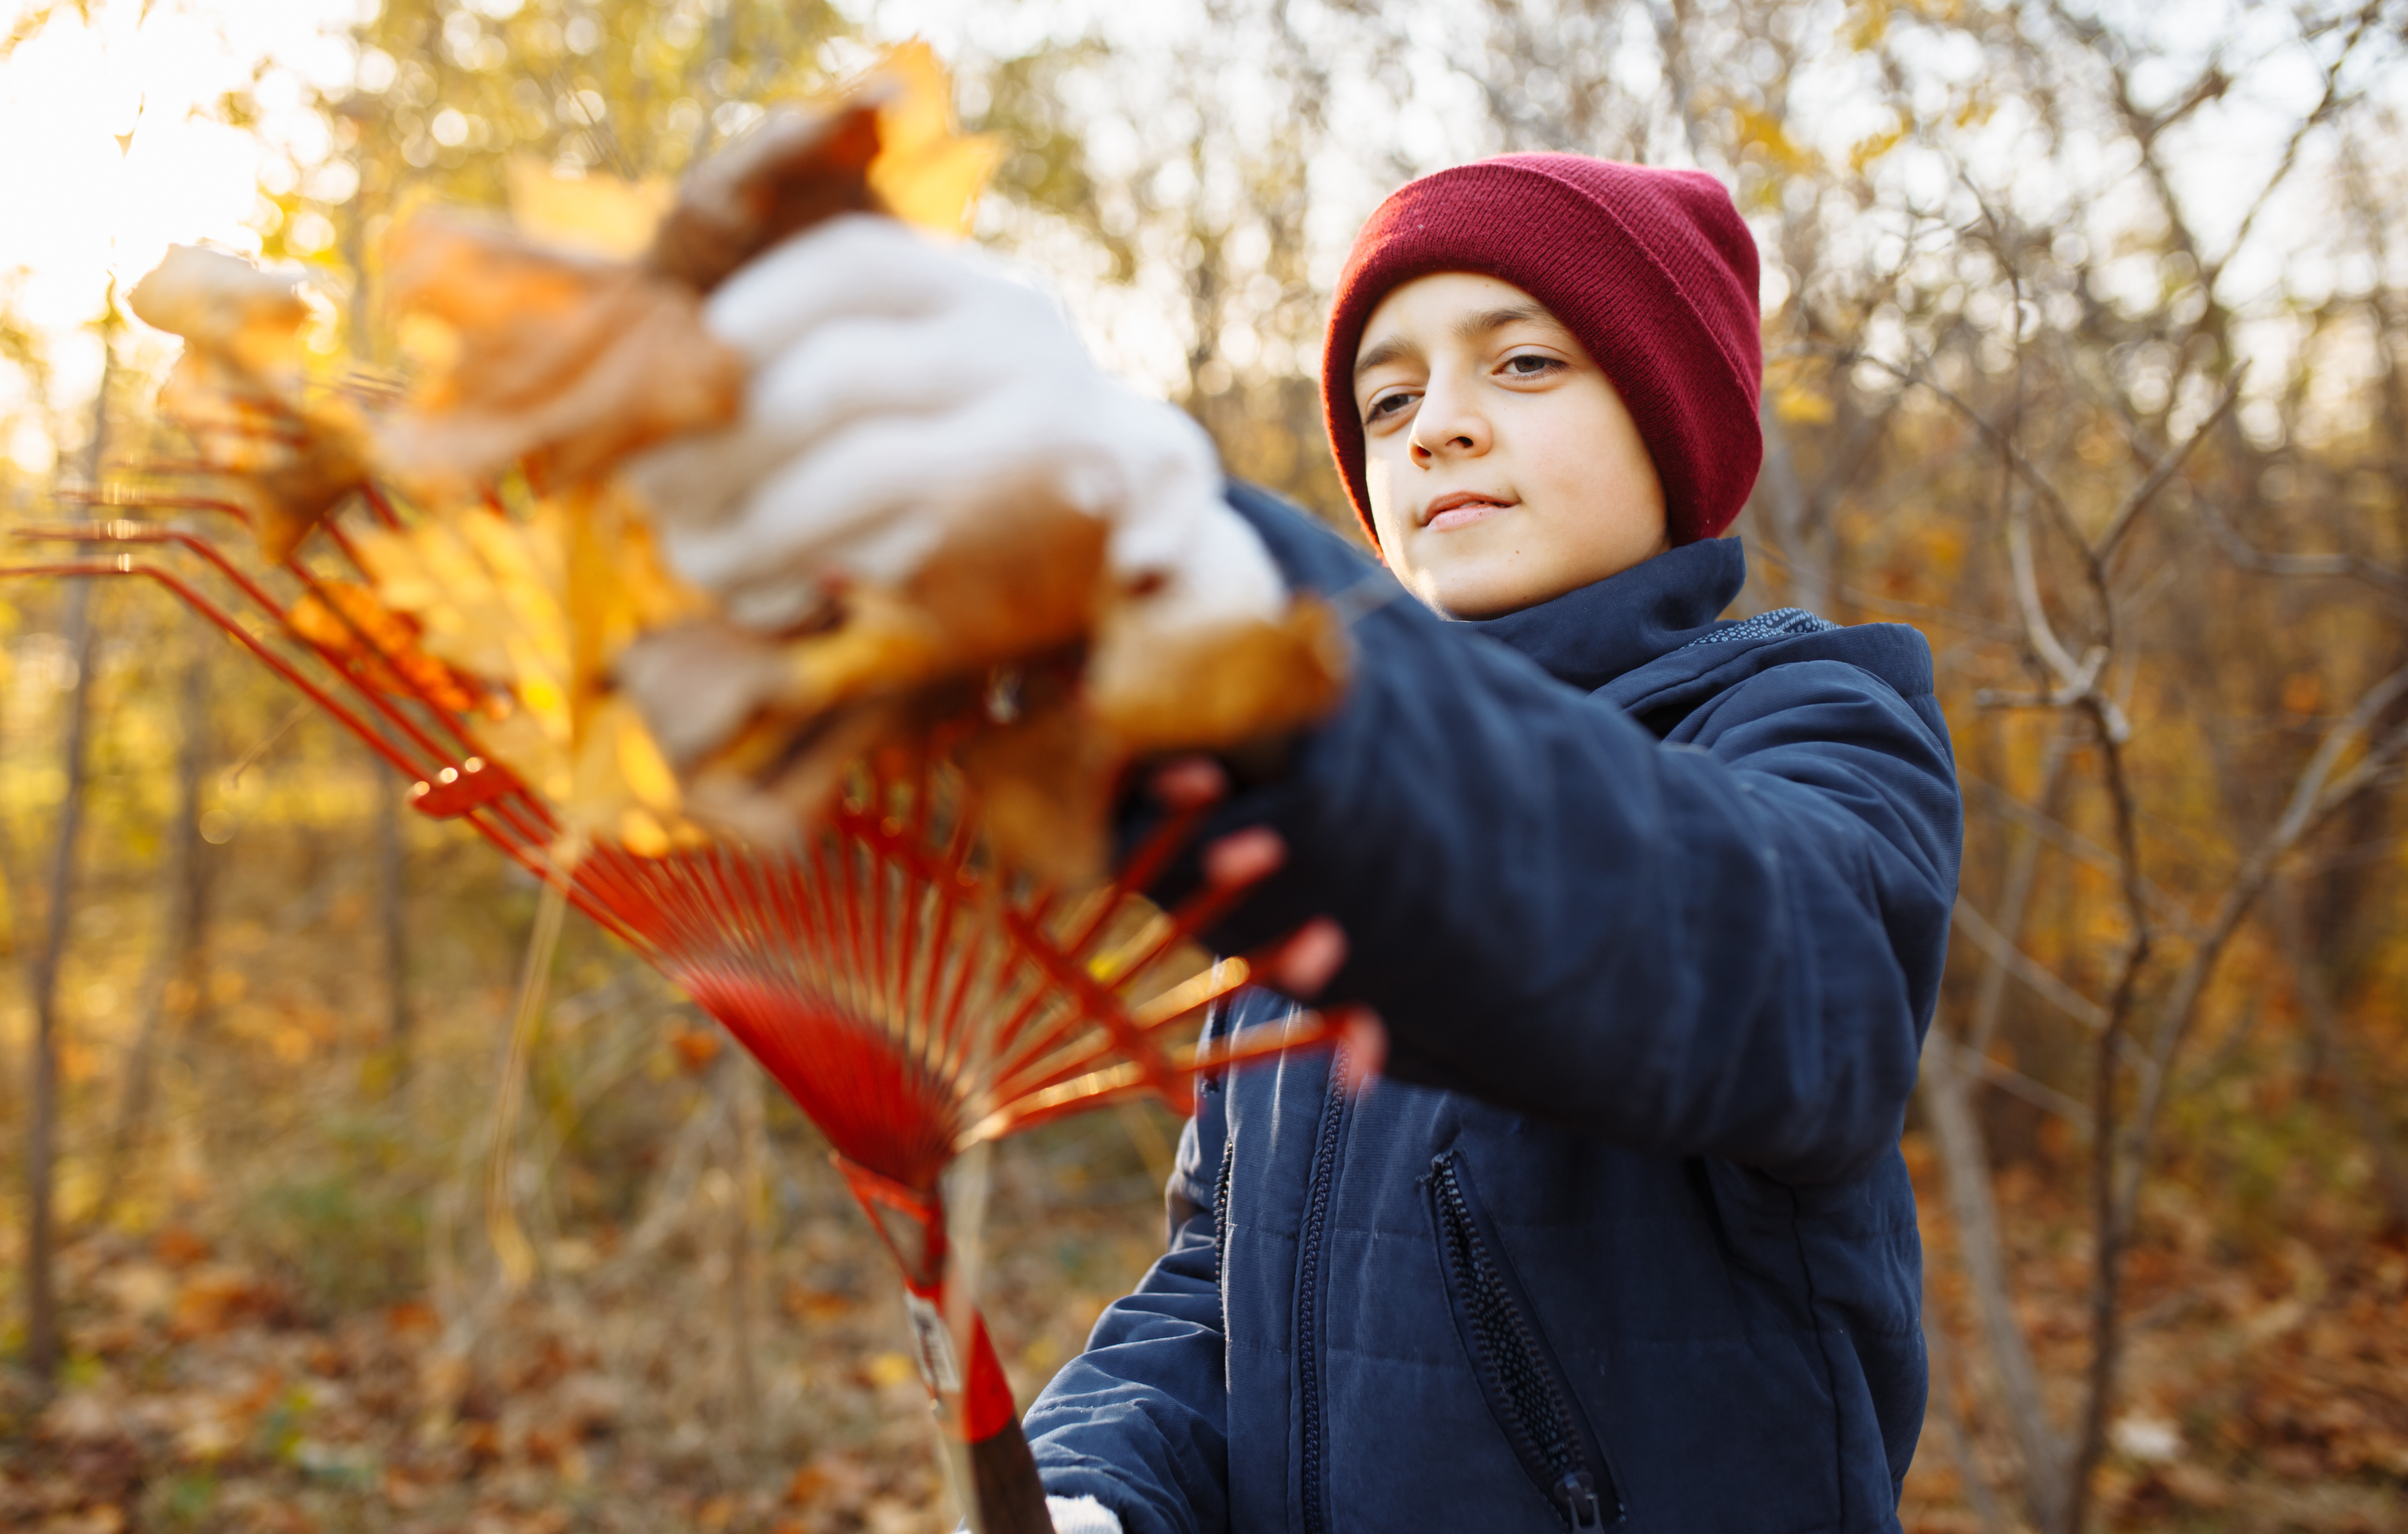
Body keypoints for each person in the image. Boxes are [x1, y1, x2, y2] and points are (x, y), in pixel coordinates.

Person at [630, 152, 1963, 1533]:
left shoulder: (1808, 726)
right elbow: (1225, 1282)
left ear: (1671, 421)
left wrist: (1240, 634)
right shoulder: (1292, 848)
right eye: (1391, 400)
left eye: (1523, 366)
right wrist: (1099, 1492)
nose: (1438, 427)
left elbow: (1779, 983)